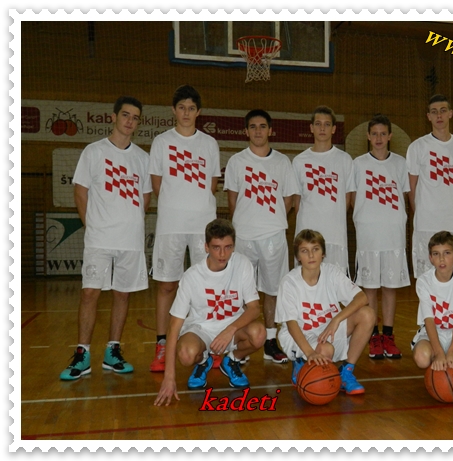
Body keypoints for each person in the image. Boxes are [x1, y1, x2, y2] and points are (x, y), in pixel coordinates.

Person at [60, 96, 151, 380]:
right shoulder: (94, 151)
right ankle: (82, 354)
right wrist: (92, 227)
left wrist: (132, 222)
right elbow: (80, 192)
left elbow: (146, 197)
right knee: (90, 293)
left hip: (130, 240)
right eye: (125, 115)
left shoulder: (142, 158)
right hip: (99, 238)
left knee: (122, 294)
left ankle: (113, 352)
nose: (130, 121)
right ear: (113, 117)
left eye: (135, 117)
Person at [148, 85, 221, 372]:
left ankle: (210, 343)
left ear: (198, 112)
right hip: (171, 225)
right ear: (173, 110)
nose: (186, 113)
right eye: (182, 108)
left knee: (207, 285)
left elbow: (212, 185)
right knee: (167, 285)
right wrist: (176, 205)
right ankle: (162, 344)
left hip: (202, 226)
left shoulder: (209, 144)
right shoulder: (161, 142)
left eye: (191, 108)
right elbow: (157, 185)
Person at [154, 219, 265, 406]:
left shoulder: (242, 264)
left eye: (228, 247)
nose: (222, 254)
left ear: (234, 246)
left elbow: (254, 308)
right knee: (186, 354)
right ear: (206, 247)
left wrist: (229, 329)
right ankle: (203, 362)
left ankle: (232, 361)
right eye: (216, 247)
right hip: (202, 329)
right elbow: (173, 327)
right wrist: (169, 377)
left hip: (233, 327)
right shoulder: (191, 277)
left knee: (259, 333)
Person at [224, 109, 300, 364]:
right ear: (246, 131)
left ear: (271, 130)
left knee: (272, 290)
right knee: (240, 291)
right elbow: (232, 201)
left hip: (273, 236)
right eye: (253, 126)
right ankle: (239, 340)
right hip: (244, 236)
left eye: (263, 126)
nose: (258, 131)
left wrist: (271, 220)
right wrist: (246, 223)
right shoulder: (236, 161)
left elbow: (288, 200)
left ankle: (269, 340)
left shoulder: (282, 162)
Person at [275, 229, 375, 394]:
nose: (311, 255)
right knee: (325, 350)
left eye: (315, 249)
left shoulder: (332, 273)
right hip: (299, 334)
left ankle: (346, 372)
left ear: (323, 253)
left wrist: (336, 320)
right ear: (298, 257)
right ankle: (300, 361)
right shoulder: (289, 283)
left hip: (327, 329)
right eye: (304, 251)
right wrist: (310, 353)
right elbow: (291, 324)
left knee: (367, 314)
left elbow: (362, 298)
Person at [351, 114, 410, 360]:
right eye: (374, 134)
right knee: (370, 288)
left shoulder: (400, 163)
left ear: (390, 136)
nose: (378, 138)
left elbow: (405, 196)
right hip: (368, 235)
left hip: (393, 234)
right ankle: (373, 336)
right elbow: (353, 198)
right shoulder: (358, 164)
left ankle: (388, 335)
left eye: (383, 134)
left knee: (390, 287)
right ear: (368, 136)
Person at [406, 94, 453, 279]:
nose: (439, 115)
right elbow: (411, 188)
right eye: (434, 112)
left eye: (443, 111)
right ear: (428, 116)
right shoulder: (417, 147)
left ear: (450, 113)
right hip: (427, 222)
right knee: (428, 277)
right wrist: (421, 212)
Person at [292, 106, 355, 275]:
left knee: (335, 284)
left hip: (335, 236)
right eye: (318, 124)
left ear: (333, 129)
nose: (322, 128)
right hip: (307, 236)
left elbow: (347, 199)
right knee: (306, 284)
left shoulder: (345, 160)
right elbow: (297, 202)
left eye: (327, 124)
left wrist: (333, 219)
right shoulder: (299, 161)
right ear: (311, 128)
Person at [411, 231, 453, 371]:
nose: (441, 259)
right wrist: (438, 353)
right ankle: (439, 366)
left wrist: (451, 351)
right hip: (432, 332)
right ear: (430, 258)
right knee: (421, 358)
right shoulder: (424, 281)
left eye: (447, 253)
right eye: (436, 254)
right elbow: (429, 320)